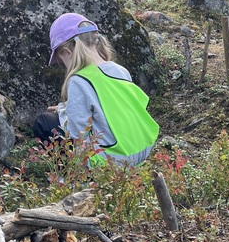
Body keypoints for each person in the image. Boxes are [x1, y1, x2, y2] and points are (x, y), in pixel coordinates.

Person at [33, 13, 159, 166]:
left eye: (60, 59)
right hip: (141, 152)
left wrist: (65, 115)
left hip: (113, 162)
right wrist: (65, 108)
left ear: (67, 52)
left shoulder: (78, 81)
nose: (62, 64)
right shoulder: (119, 70)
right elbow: (111, 107)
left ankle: (70, 175)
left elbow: (78, 134)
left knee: (45, 122)